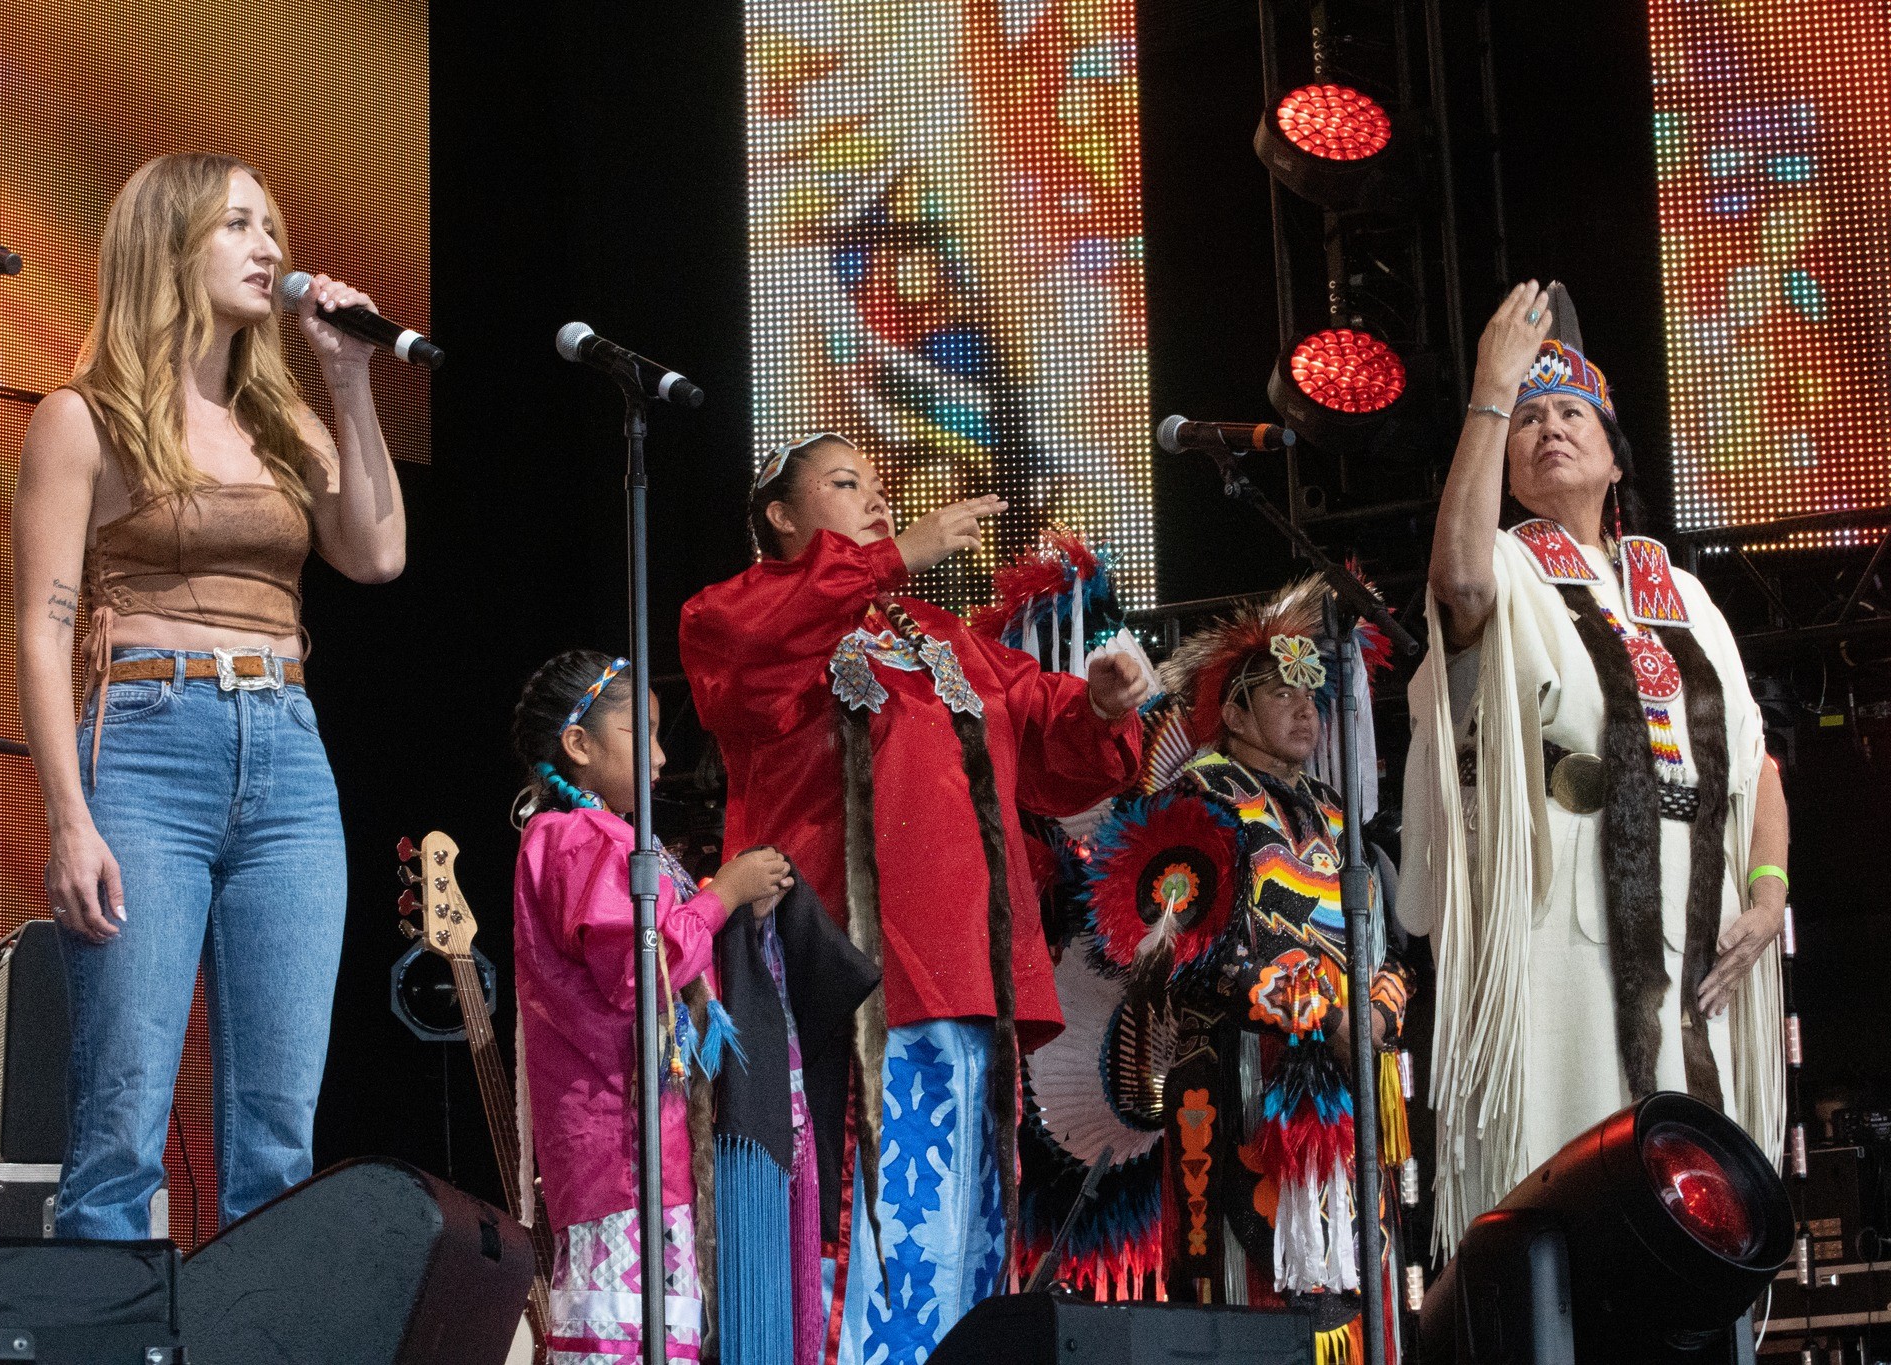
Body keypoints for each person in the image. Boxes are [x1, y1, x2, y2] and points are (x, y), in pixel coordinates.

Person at [679, 433, 1150, 1364]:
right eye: (844, 484)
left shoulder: (941, 639)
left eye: (878, 490)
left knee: (967, 1246)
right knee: (860, 1248)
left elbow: (1044, 735)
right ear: (780, 515)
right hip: (850, 982)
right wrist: (896, 556)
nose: (876, 502)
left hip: (971, 983)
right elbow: (748, 644)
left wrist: (1098, 703)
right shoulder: (740, 616)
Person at [13, 153, 406, 1238]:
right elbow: (42, 633)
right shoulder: (81, 418)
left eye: (270, 226)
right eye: (238, 225)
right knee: (122, 1121)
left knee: (278, 1129)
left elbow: (375, 555)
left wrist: (352, 376)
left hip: (285, 753)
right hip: (145, 745)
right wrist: (67, 818)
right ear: (167, 247)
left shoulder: (282, 428)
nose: (270, 249)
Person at [1401, 282, 1789, 1252]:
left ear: (1613, 455)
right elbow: (1454, 580)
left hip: (1695, 928)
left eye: (1568, 412)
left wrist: (1767, 892)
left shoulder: (1684, 596)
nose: (1545, 429)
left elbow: (1754, 766)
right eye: (1526, 419)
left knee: (1701, 1194)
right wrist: (1487, 393)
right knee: (1576, 1170)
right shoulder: (1512, 571)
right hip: (1565, 913)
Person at [1021, 578, 1411, 1364]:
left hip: (1350, 1085)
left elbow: (1387, 945)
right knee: (1248, 1288)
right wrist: (1321, 1015)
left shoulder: (1334, 814)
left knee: (1354, 1285)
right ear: (1232, 711)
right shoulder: (1198, 799)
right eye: (1282, 693)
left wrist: (1374, 1014)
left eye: (1313, 694)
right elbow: (1185, 955)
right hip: (1237, 1086)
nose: (1307, 709)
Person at [509, 650, 794, 1364]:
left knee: (647, 1332)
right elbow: (647, 970)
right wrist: (725, 891)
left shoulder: (582, 838)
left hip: (627, 1139)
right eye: (645, 734)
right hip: (620, 1143)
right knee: (628, 1336)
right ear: (579, 743)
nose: (664, 757)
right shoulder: (583, 839)